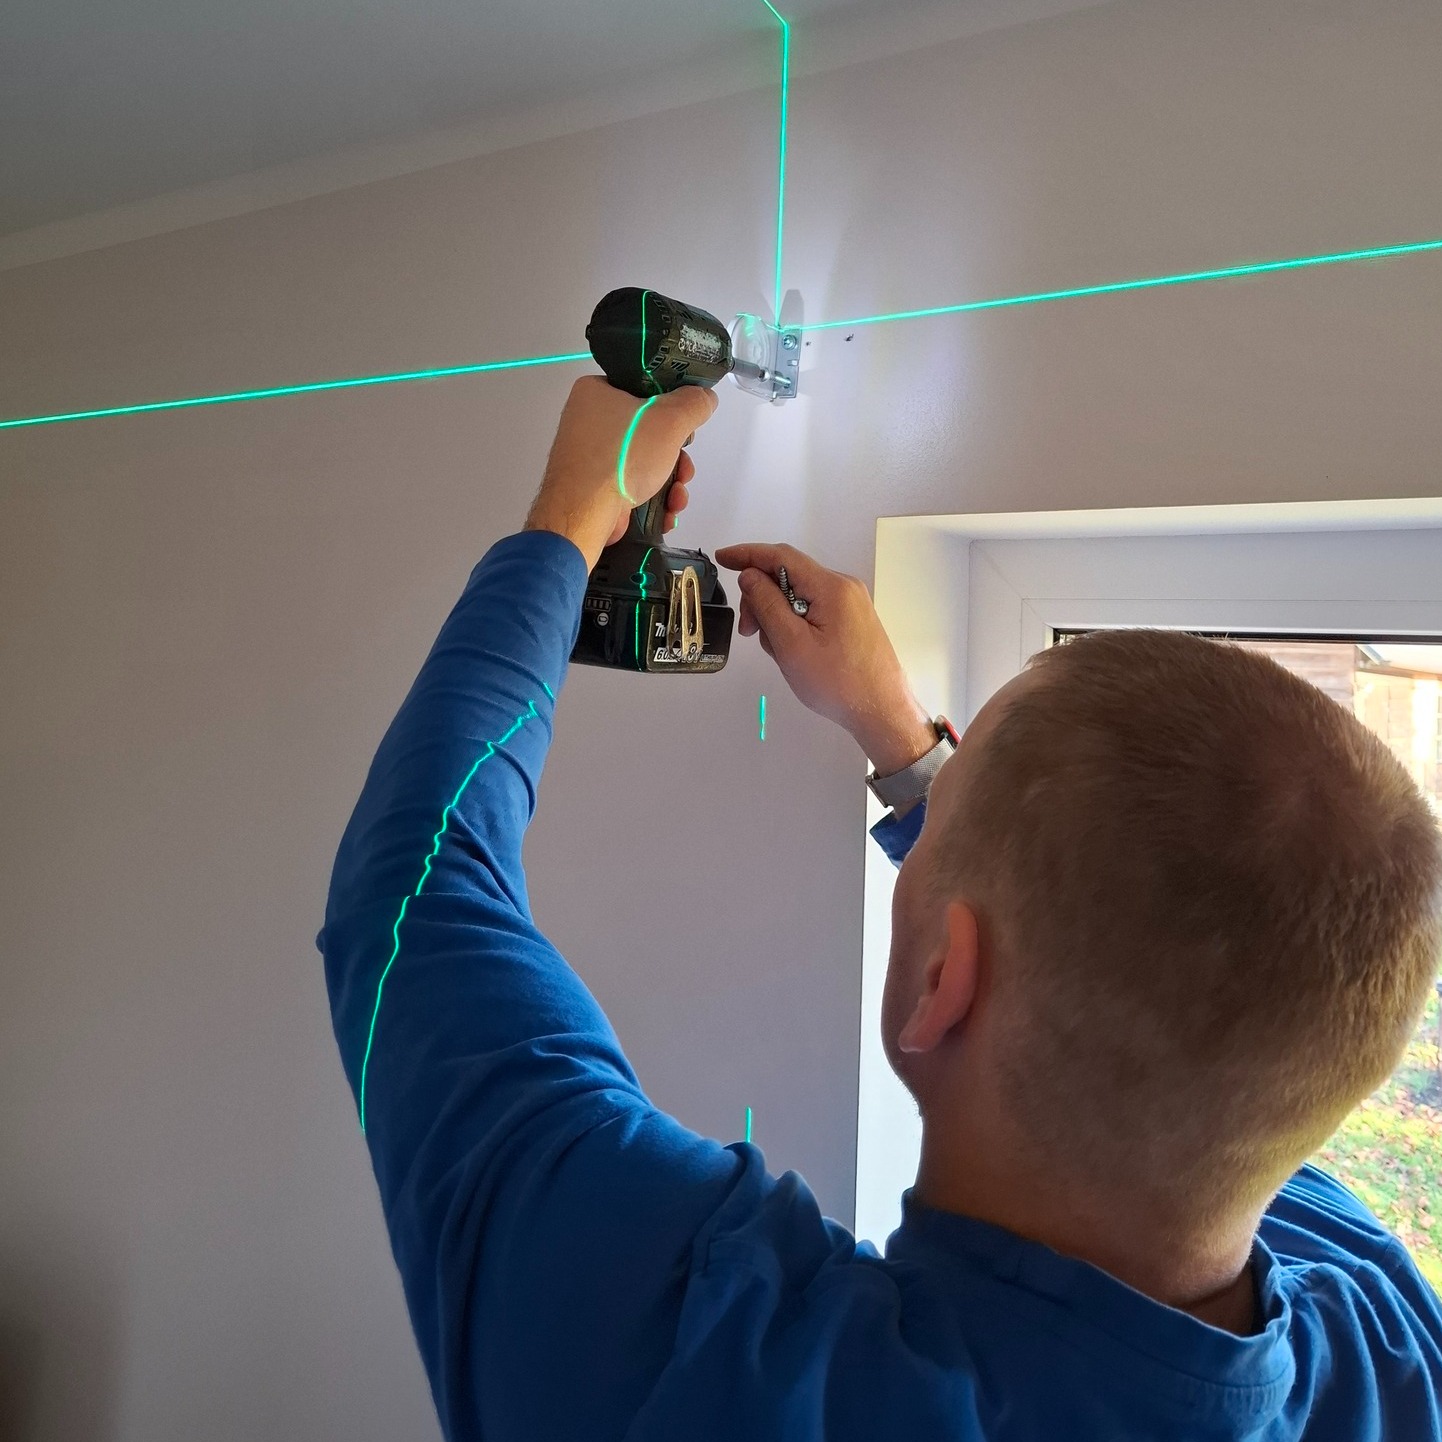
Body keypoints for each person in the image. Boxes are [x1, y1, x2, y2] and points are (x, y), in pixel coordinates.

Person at [318, 376, 1442, 1441]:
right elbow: (1198, 1005)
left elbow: (412, 888)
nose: (926, 817)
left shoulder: (710, 1358)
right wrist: (901, 742)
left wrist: (574, 509)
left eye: (939, 826)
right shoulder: (1391, 1333)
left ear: (945, 980)